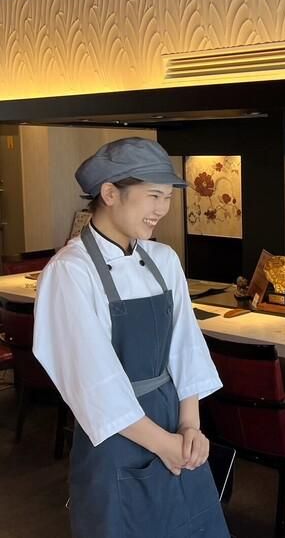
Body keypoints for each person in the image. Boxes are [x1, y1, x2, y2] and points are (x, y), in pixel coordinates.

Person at [33, 137, 230, 537]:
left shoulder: (164, 259)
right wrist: (163, 444)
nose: (163, 209)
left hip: (175, 425)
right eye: (154, 195)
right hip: (118, 435)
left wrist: (190, 426)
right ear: (109, 193)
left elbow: (186, 347)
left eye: (168, 197)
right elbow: (94, 384)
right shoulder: (70, 271)